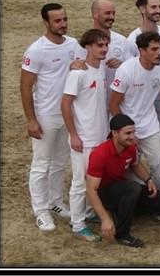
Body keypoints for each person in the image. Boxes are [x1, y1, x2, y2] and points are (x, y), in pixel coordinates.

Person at [22, 3, 86, 231]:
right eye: (58, 21)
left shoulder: (73, 44)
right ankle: (40, 210)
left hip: (67, 114)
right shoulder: (36, 50)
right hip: (46, 114)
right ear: (46, 23)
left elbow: (82, 66)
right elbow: (25, 87)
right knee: (41, 164)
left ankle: (56, 201)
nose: (63, 24)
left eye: (65, 19)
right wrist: (31, 119)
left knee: (60, 161)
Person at [109, 31, 160, 189]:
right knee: (127, 166)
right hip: (127, 127)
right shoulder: (126, 70)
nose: (159, 53)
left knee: (159, 165)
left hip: (150, 125)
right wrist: (127, 132)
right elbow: (113, 104)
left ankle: (156, 197)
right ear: (142, 50)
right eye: (154, 49)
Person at [86, 114, 160, 248]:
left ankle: (123, 212)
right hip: (105, 193)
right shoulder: (100, 154)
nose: (132, 137)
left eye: (133, 132)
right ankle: (122, 234)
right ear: (114, 133)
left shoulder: (130, 147)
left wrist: (148, 179)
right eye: (128, 133)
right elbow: (91, 190)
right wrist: (104, 219)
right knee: (133, 188)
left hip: (122, 188)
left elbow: (136, 165)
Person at [60, 29, 109, 242]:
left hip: (100, 136)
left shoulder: (102, 68)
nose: (104, 49)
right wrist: (74, 135)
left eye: (105, 44)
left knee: (94, 181)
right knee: (80, 183)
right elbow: (65, 104)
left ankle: (88, 214)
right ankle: (78, 224)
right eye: (99, 45)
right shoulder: (77, 73)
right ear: (87, 48)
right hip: (84, 139)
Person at [127, 0, 160, 148]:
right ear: (142, 9)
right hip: (142, 100)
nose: (158, 10)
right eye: (153, 7)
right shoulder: (133, 40)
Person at [91, 0, 136, 101]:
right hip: (94, 103)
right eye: (107, 13)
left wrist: (122, 65)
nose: (111, 17)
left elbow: (134, 70)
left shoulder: (122, 41)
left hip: (116, 103)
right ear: (95, 15)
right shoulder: (85, 43)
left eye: (113, 13)